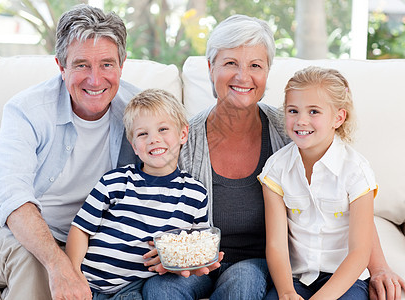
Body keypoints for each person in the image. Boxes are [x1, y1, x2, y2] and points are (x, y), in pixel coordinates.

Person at [142, 14, 405, 300]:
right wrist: (167, 248)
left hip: (258, 263)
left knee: (241, 282)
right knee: (160, 289)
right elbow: (152, 196)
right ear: (210, 67)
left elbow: (346, 199)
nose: (243, 76)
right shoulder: (182, 139)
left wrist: (379, 267)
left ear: (267, 72)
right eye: (230, 63)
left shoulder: (293, 130)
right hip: (197, 264)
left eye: (255, 65)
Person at [0, 4, 140, 299]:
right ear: (60, 65)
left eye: (106, 64)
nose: (95, 80)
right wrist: (59, 264)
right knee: (34, 260)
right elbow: (11, 196)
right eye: (81, 65)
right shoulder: (27, 110)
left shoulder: (138, 112)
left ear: (122, 64)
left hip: (83, 237)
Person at [65, 88, 210, 300]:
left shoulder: (195, 194)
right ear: (134, 145)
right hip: (87, 285)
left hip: (132, 289)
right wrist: (73, 274)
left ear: (183, 134)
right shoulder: (115, 181)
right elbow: (80, 230)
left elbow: (199, 247)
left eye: (163, 129)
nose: (154, 139)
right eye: (143, 134)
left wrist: (178, 261)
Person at [259, 66, 376, 299]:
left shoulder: (356, 172)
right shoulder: (276, 169)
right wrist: (286, 292)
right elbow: (276, 245)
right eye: (293, 111)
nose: (301, 121)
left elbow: (360, 252)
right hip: (295, 280)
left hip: (344, 280)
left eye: (314, 111)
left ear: (338, 117)